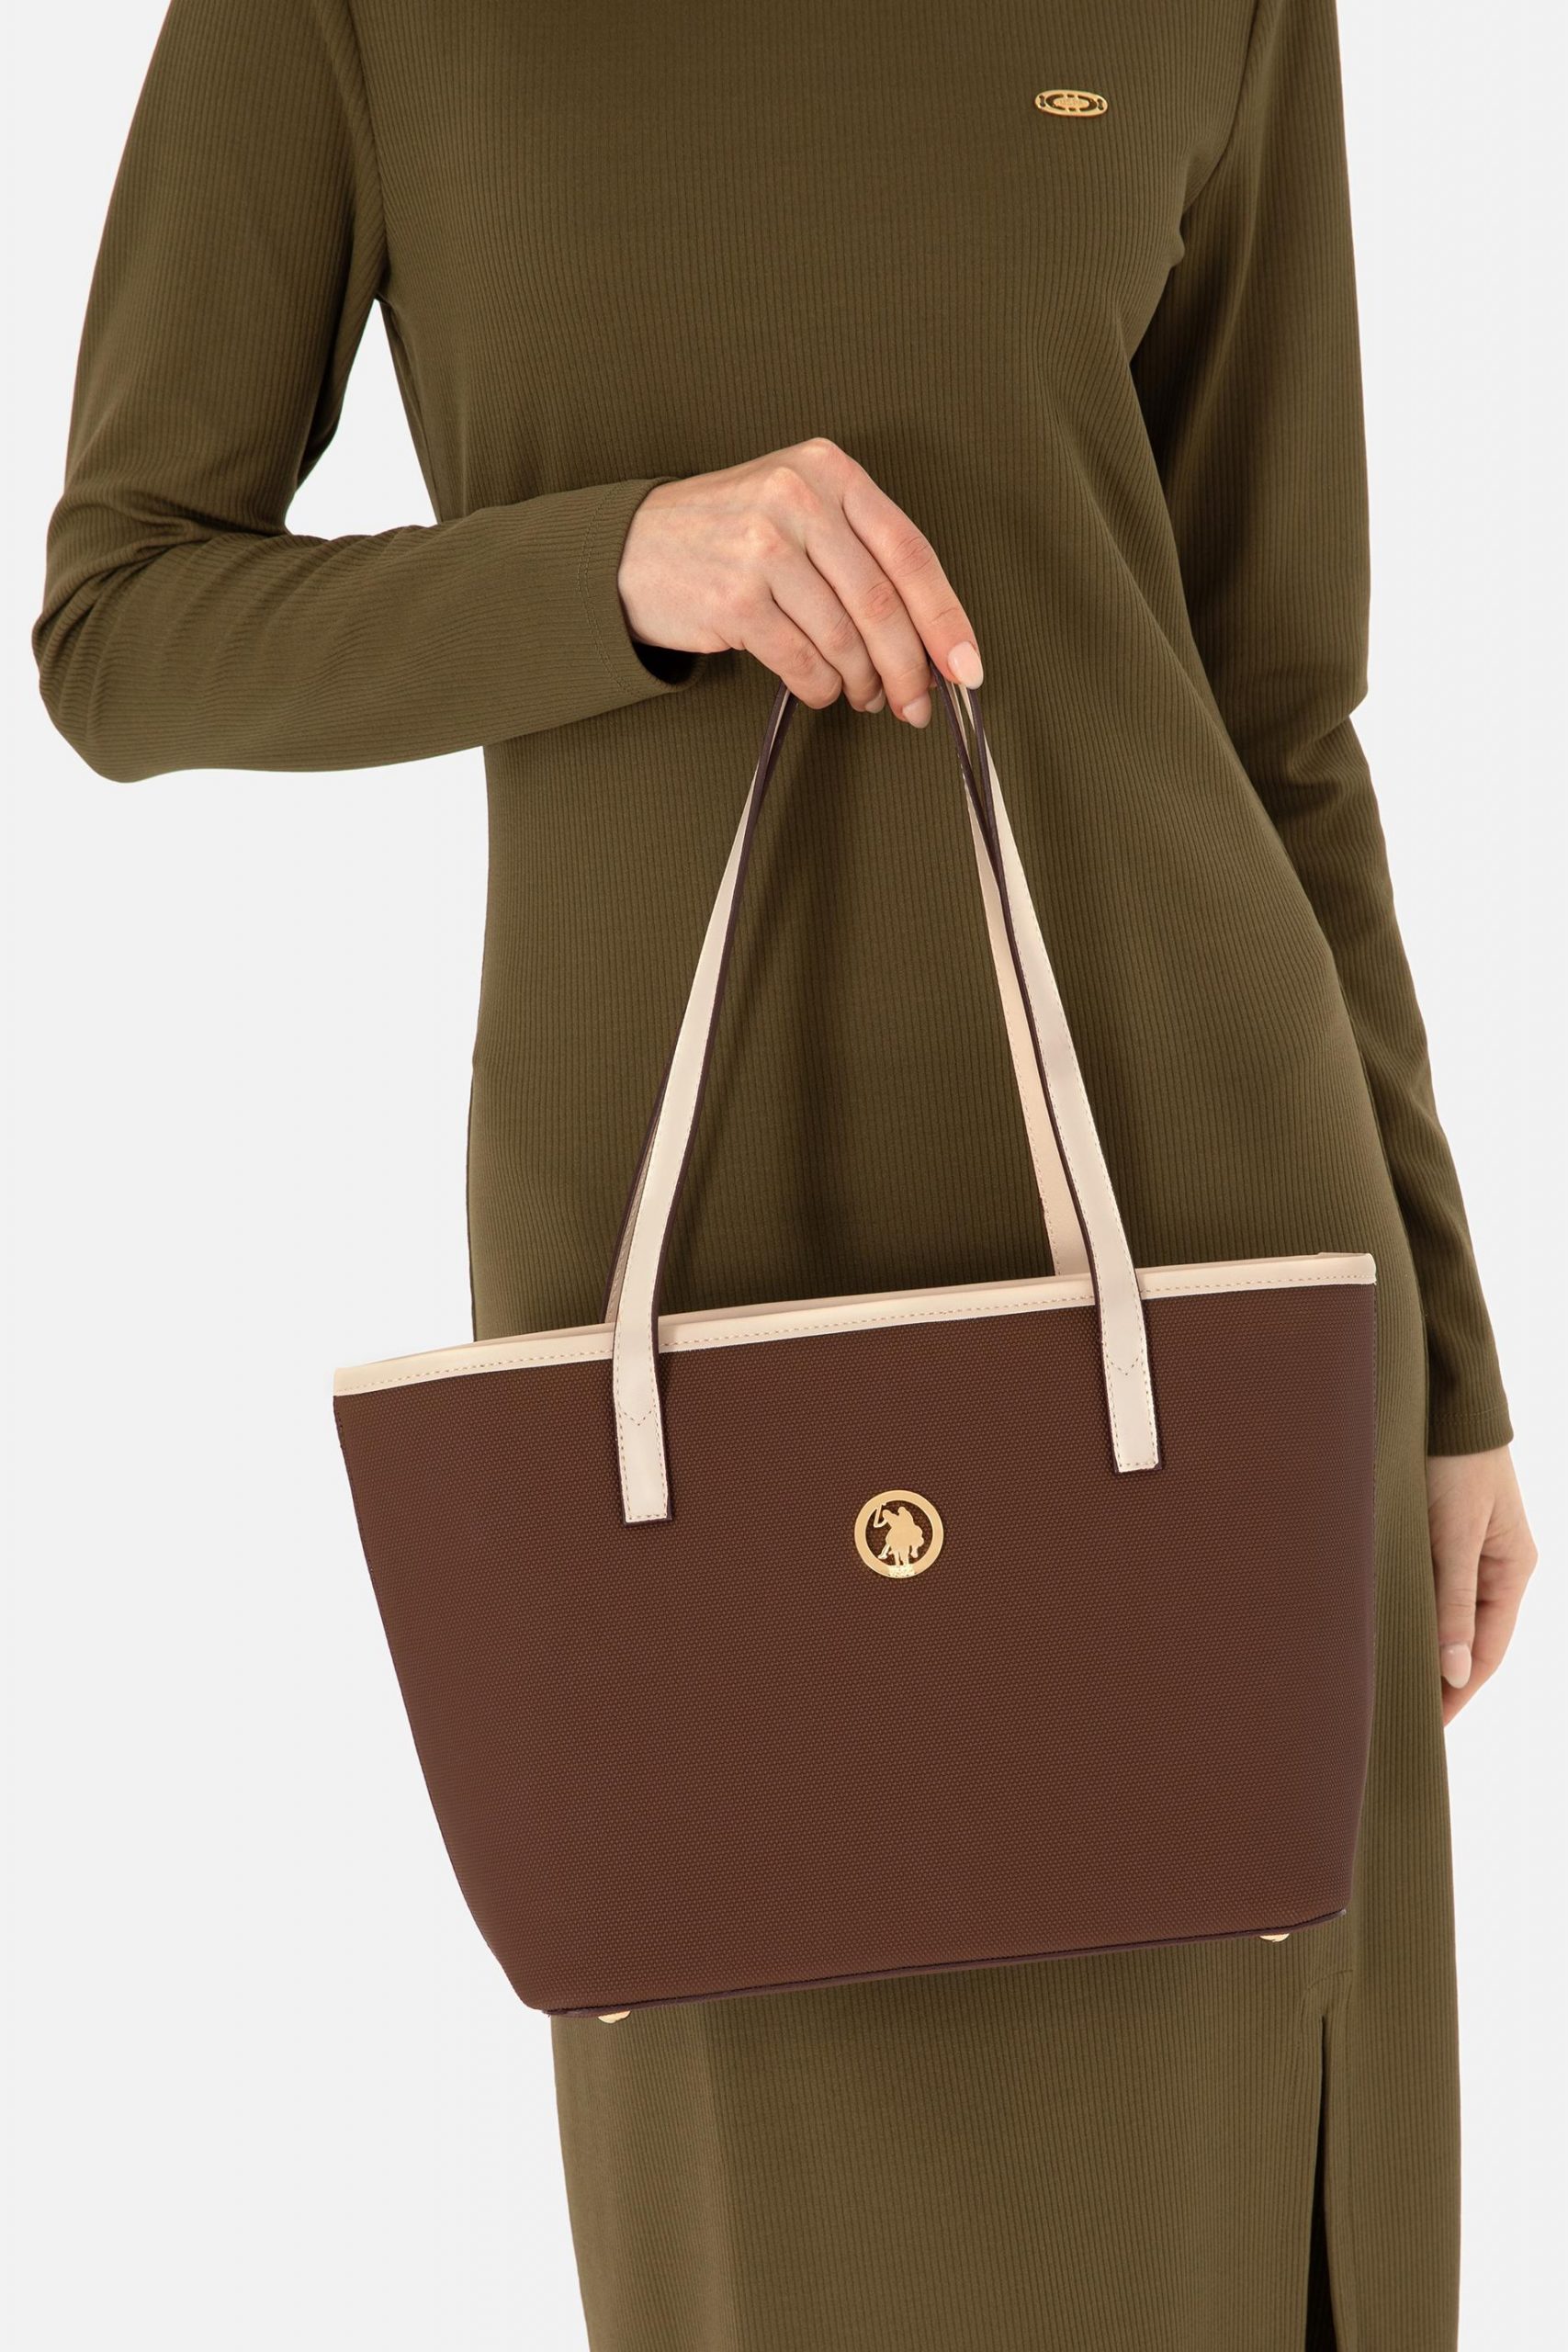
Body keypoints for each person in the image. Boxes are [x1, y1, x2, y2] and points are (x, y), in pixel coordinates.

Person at [32, 2, 1539, 2345]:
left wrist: (1445, 1363)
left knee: (1225, 2197)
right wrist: (617, 567)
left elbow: (1273, 710)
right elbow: (124, 628)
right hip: (681, 1279)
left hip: (1205, 1245)